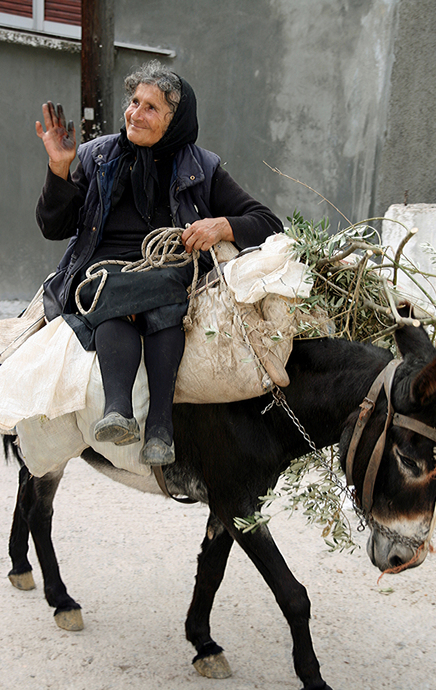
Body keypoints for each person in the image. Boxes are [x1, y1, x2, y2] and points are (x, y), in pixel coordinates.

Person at [35, 60, 283, 467]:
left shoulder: (202, 168)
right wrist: (59, 169)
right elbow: (53, 227)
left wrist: (223, 225)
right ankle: (129, 416)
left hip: (166, 271)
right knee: (117, 294)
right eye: (134, 101)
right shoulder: (97, 157)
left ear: (176, 120)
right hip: (101, 274)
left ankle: (156, 425)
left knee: (165, 294)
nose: (135, 113)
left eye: (151, 107)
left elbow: (267, 222)